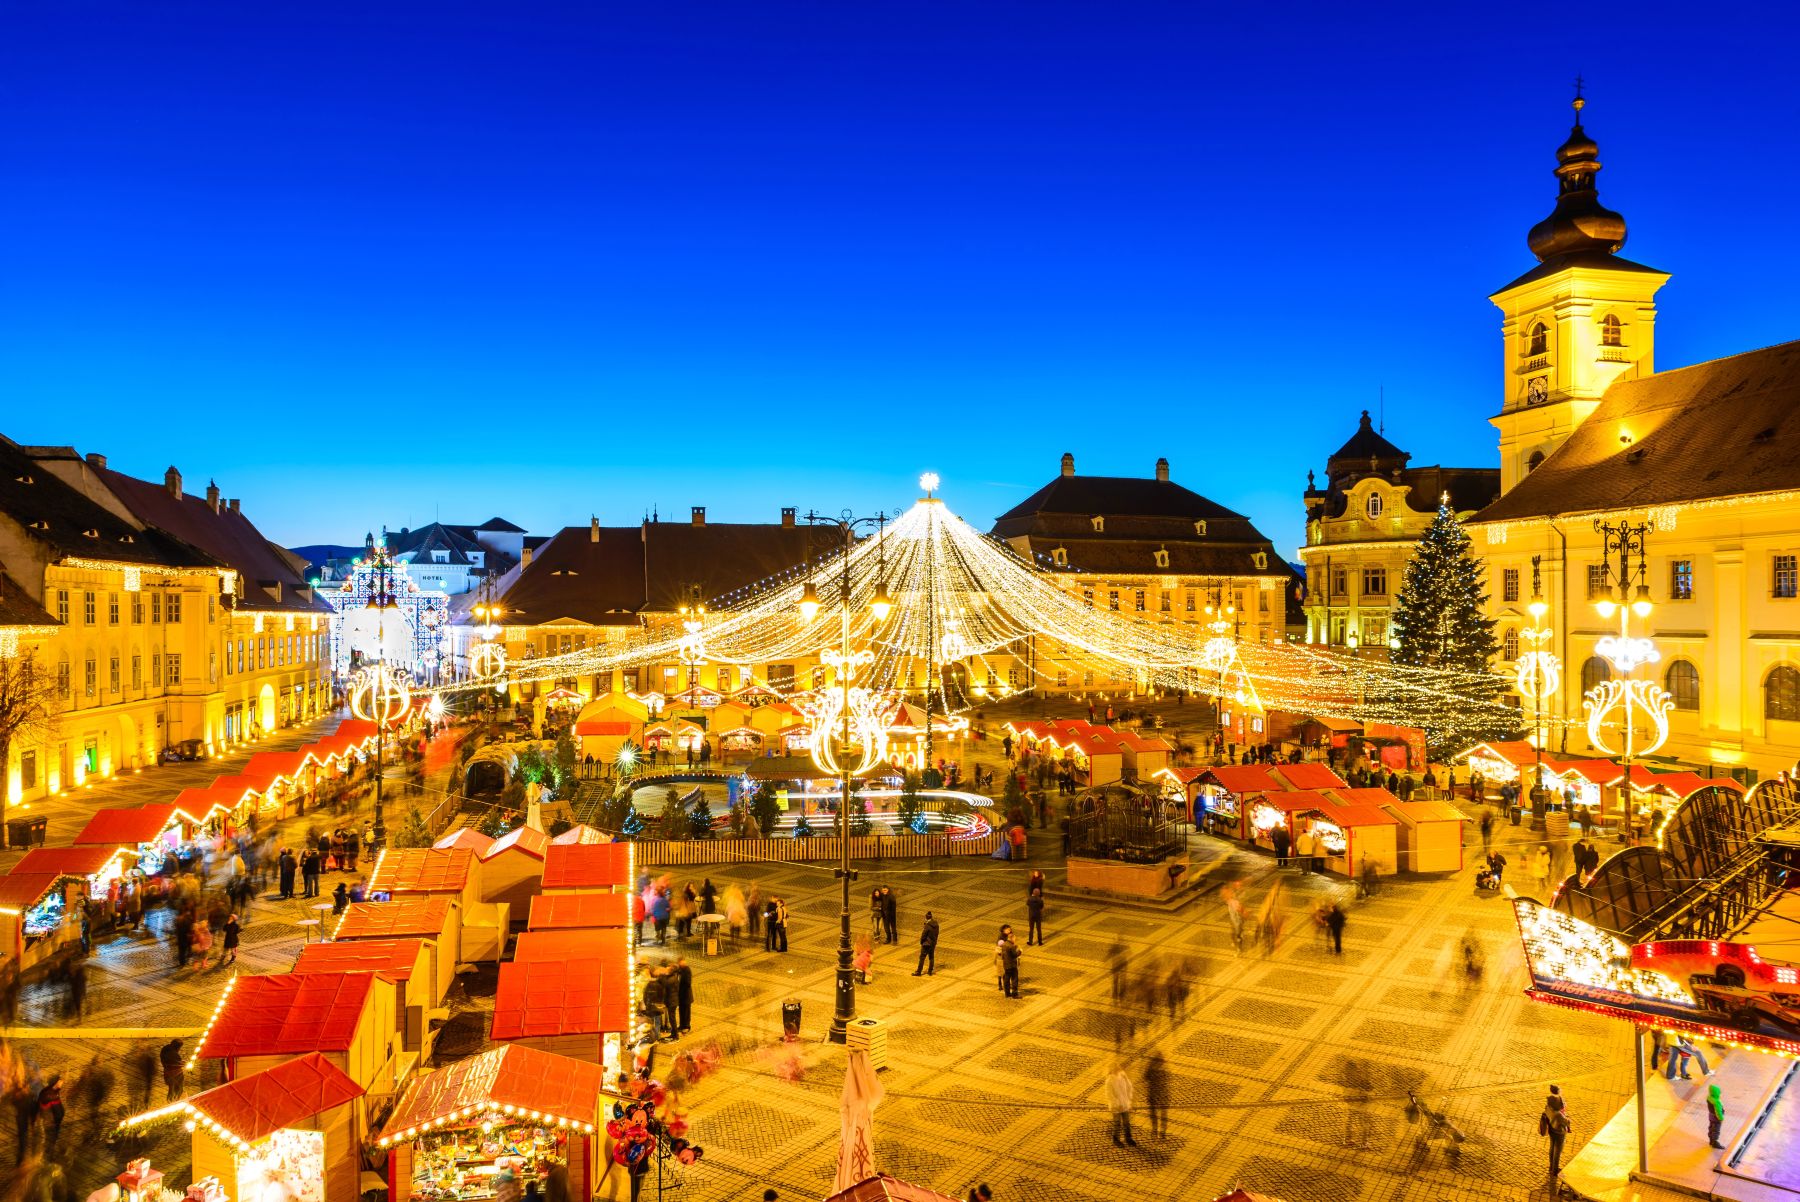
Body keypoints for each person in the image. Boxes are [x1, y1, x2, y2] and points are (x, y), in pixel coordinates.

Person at [1540, 1085, 1571, 1178]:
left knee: (1552, 1147)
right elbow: (1567, 1122)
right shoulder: (1559, 1115)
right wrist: (1568, 1119)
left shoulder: (1548, 1107)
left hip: (1552, 1130)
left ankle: (1551, 1166)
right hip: (1559, 1132)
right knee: (1558, 1151)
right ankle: (1555, 1170)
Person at [1106, 1064, 1136, 1147]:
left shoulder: (1123, 1077)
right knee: (1117, 1123)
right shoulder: (1109, 1081)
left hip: (1125, 1104)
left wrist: (1128, 1099)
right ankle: (1116, 1139)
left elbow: (1129, 1087)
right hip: (1116, 1106)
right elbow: (1109, 1095)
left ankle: (1128, 1138)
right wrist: (1117, 1104)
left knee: (1126, 1122)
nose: (1117, 1071)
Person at [1143, 1052, 1170, 1139]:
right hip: (1163, 1095)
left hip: (1153, 1095)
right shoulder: (1165, 1070)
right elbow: (1167, 1080)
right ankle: (1162, 1132)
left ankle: (1154, 1131)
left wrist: (1149, 1065)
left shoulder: (1151, 1070)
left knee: (1154, 1114)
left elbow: (1145, 1077)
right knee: (1163, 1114)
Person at [35, 1076, 62, 1149]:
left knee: (52, 1137)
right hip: (51, 1121)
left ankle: (50, 1149)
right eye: (59, 1082)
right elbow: (54, 1110)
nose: (62, 1082)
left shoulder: (51, 1092)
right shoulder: (50, 1095)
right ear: (55, 1084)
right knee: (51, 1138)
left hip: (52, 1120)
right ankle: (49, 1152)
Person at [915, 912, 939, 976]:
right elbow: (937, 934)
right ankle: (930, 971)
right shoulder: (936, 924)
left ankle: (918, 972)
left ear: (926, 918)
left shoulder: (927, 926)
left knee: (922, 958)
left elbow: (924, 935)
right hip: (933, 943)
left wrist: (921, 942)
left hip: (926, 944)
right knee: (931, 957)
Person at [673, 958, 694, 1033]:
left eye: (681, 963)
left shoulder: (687, 970)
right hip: (681, 996)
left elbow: (688, 983)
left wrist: (679, 985)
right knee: (681, 1011)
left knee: (686, 1012)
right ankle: (681, 1026)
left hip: (686, 996)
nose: (680, 964)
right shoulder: (680, 969)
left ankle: (687, 1026)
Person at [1707, 1083, 1725, 1149]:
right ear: (1716, 1093)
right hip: (1716, 1118)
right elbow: (1718, 1111)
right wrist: (1721, 1118)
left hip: (1711, 1116)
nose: (1720, 1094)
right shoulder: (1716, 1102)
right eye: (1720, 1093)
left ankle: (1711, 1140)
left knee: (1711, 1127)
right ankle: (1715, 1142)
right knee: (1716, 1130)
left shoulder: (1709, 1098)